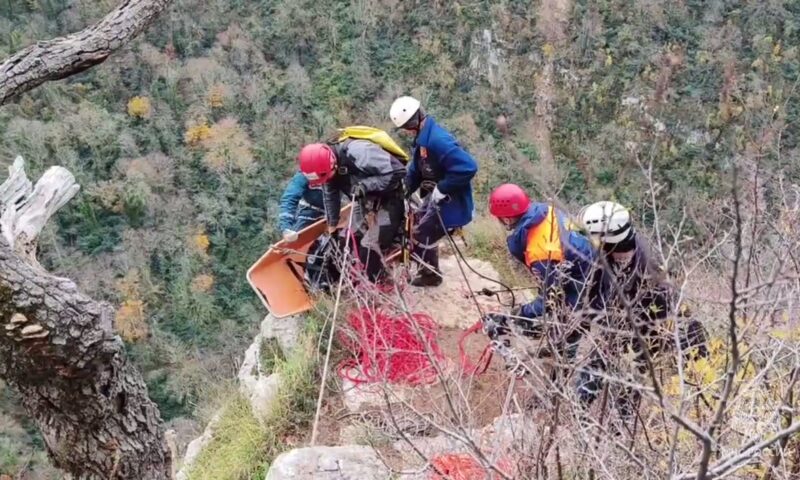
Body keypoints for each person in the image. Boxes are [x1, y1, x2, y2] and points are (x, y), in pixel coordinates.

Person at [575, 201, 708, 421]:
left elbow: (651, 333)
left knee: (626, 391)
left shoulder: (648, 276)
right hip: (636, 326)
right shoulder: (618, 252)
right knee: (595, 372)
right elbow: (597, 294)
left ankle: (619, 435)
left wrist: (614, 344)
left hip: (667, 336)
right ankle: (582, 418)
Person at [483, 184, 596, 369]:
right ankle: (556, 345)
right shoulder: (545, 211)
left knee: (568, 325)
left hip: (585, 282)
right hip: (585, 265)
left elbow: (550, 299)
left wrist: (521, 314)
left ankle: (560, 375)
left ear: (507, 218)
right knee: (560, 316)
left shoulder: (540, 251)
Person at [390, 96, 478, 287]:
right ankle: (427, 267)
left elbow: (468, 167)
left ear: (411, 125)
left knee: (423, 233)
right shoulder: (424, 139)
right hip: (439, 196)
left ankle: (431, 275)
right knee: (418, 223)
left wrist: (443, 188)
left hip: (452, 199)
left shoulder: (437, 141)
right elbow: (416, 169)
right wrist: (404, 191)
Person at [297, 140, 406, 283]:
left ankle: (383, 284)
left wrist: (365, 186)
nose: (327, 181)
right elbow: (331, 196)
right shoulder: (327, 171)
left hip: (391, 198)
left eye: (327, 177)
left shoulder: (360, 153)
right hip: (364, 200)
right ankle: (345, 280)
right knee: (344, 240)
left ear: (332, 164)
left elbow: (398, 171)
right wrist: (332, 225)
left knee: (368, 248)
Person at [277, 171, 325, 242]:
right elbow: (289, 199)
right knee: (296, 244)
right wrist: (286, 228)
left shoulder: (339, 168)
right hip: (309, 214)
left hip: (334, 212)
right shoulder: (304, 174)